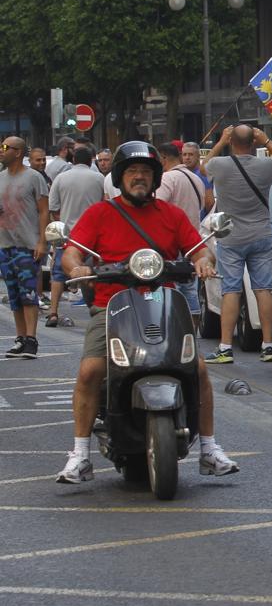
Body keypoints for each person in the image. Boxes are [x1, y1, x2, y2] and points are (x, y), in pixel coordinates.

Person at [56, 141, 239, 483]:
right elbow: (72, 253)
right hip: (112, 306)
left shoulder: (171, 215)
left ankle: (210, 449)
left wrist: (202, 262)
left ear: (156, 178)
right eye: (131, 171)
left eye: (145, 172)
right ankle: (80, 455)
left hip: (162, 304)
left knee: (197, 369)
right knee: (89, 370)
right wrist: (77, 267)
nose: (139, 177)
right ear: (119, 177)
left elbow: (200, 250)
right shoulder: (100, 213)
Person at [202, 124, 272, 363]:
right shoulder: (266, 165)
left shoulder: (220, 166)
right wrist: (267, 142)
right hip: (261, 234)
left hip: (230, 237)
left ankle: (225, 347)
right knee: (263, 289)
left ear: (232, 142)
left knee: (231, 289)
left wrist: (220, 141)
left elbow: (204, 166)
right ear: (254, 142)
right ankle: (268, 345)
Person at [45, 145, 104, 327]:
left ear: (73, 160)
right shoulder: (99, 178)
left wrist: (63, 221)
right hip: (94, 238)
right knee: (92, 274)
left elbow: (53, 208)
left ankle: (53, 312)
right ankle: (97, 311)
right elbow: (105, 205)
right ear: (90, 160)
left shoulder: (61, 178)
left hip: (68, 237)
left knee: (58, 275)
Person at [1, 137, 50, 358]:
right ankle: (20, 338)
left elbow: (43, 211)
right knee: (14, 294)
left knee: (29, 293)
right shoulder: (0, 178)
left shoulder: (34, 178)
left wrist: (42, 241)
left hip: (27, 245)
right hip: (5, 244)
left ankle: (31, 339)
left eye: (5, 147)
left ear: (18, 152)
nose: (1, 151)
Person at [156, 142, 207, 327]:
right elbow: (202, 207)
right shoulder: (196, 179)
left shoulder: (167, 179)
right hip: (192, 242)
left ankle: (171, 327)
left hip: (171, 242)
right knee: (190, 288)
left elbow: (156, 208)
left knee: (169, 287)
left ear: (163, 158)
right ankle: (192, 329)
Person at [180, 142, 216, 219]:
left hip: (200, 223)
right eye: (184, 154)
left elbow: (209, 203)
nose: (187, 157)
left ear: (198, 157)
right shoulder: (181, 173)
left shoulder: (202, 174)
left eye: (191, 154)